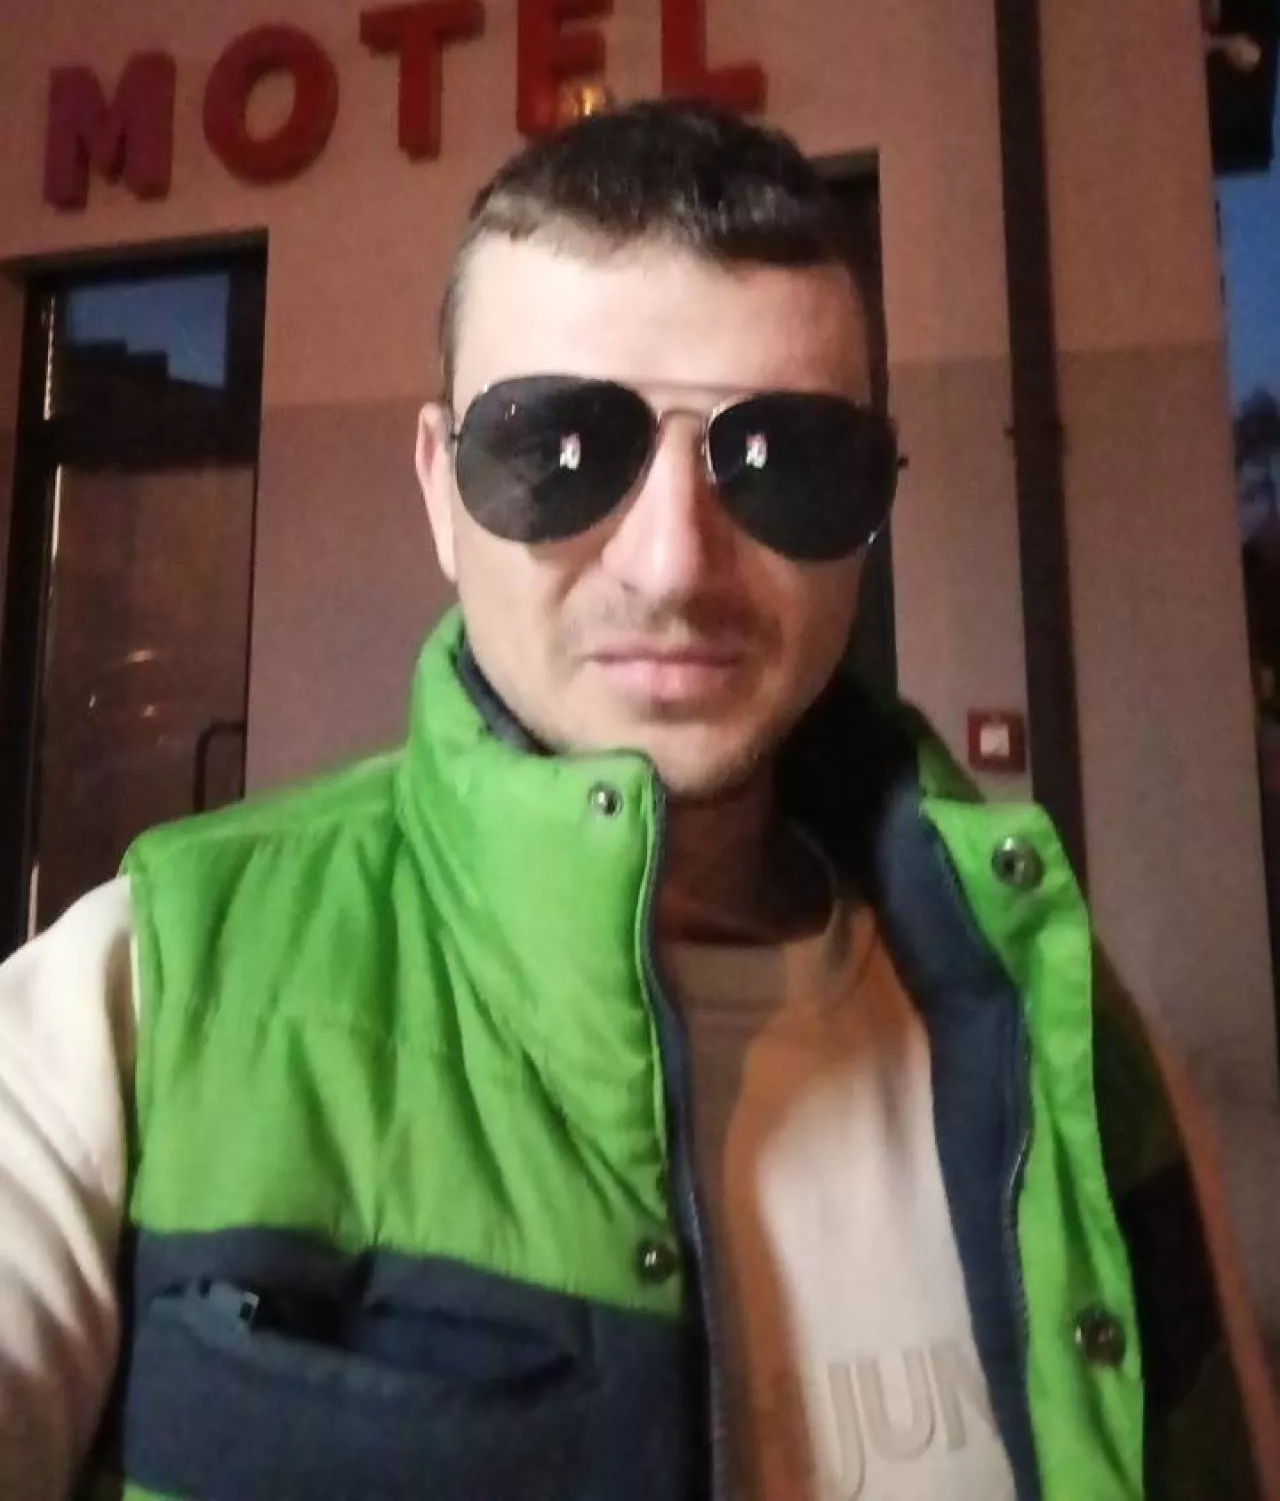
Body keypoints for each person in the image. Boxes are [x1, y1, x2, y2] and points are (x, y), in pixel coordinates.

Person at [0, 99, 1276, 1501]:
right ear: (439, 490)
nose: (673, 565)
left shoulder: (1066, 1033)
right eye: (559, 448)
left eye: (783, 459)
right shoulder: (136, 1006)